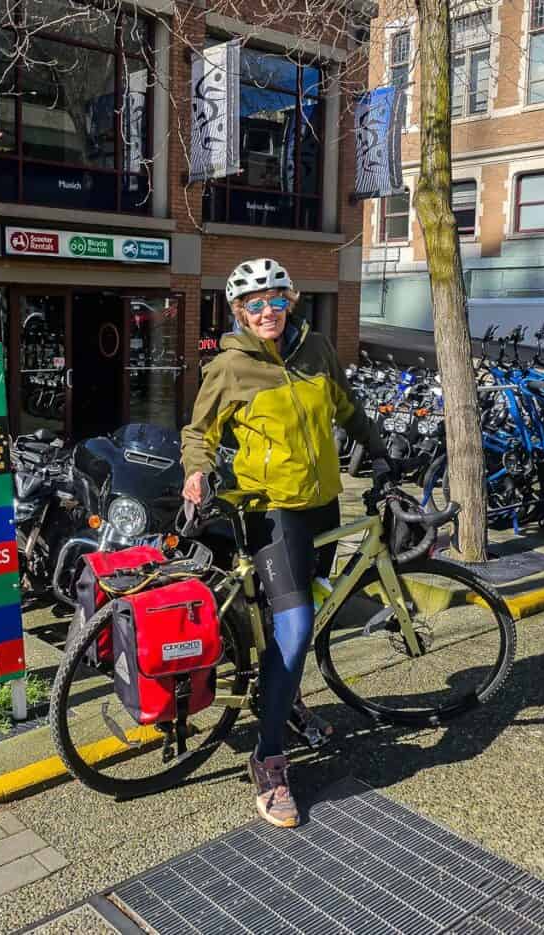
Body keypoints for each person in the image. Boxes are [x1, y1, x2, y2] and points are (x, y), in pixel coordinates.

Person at [181, 258, 391, 828]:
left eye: (275, 299)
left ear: (291, 300)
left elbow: (347, 407)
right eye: (254, 304)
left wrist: (377, 451)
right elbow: (199, 433)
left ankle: (283, 691)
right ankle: (268, 759)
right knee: (295, 626)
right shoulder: (228, 367)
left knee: (310, 611)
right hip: (272, 512)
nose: (267, 311)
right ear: (238, 313)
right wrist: (196, 470)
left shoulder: (317, 350)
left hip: (325, 501)